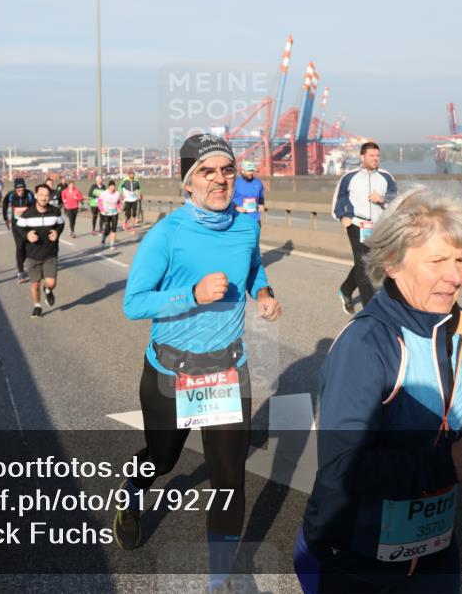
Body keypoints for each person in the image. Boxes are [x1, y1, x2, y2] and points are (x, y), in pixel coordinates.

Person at [295, 185, 462, 594]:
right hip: (353, 560)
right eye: (437, 260)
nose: (455, 276)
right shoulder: (365, 345)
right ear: (392, 262)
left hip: (433, 553)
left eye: (461, 259)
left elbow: (448, 424)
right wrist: (447, 464)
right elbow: (340, 466)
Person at [115, 134, 282, 592]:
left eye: (227, 169)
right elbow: (133, 303)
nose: (220, 179)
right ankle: (133, 493)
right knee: (163, 459)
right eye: (206, 171)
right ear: (188, 183)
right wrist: (191, 294)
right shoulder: (167, 234)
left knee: (229, 480)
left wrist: (264, 293)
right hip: (171, 373)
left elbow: (253, 266)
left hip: (226, 371)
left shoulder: (245, 226)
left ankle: (220, 578)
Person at [332, 142, 397, 315]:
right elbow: (338, 198)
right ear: (362, 157)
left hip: (378, 225)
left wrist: (382, 199)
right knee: (363, 263)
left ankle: (346, 289)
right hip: (357, 224)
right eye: (371, 156)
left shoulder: (386, 176)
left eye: (378, 156)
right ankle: (370, 309)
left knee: (373, 261)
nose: (376, 159)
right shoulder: (349, 176)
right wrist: (343, 217)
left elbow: (396, 199)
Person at [15, 184, 64, 318]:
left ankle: (47, 289)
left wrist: (57, 232)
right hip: (32, 255)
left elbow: (61, 224)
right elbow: (18, 228)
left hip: (50, 253)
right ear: (36, 195)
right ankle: (37, 306)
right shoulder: (28, 213)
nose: (43, 198)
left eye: (46, 195)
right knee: (35, 284)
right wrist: (27, 235)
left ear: (50, 196)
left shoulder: (55, 211)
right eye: (41, 195)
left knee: (51, 283)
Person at [3, 178, 36, 283]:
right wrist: (6, 218)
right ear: (15, 189)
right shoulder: (11, 195)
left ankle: (21, 264)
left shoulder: (29, 194)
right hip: (16, 226)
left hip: (28, 225)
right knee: (20, 247)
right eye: (18, 190)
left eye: (22, 190)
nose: (21, 192)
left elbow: (35, 208)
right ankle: (20, 272)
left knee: (28, 248)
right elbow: (4, 205)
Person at [232, 159, 265, 225]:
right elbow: (228, 199)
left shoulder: (258, 183)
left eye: (252, 170)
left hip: (255, 219)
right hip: (239, 219)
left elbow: (261, 195)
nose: (251, 173)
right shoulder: (235, 183)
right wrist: (236, 208)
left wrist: (261, 204)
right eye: (248, 170)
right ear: (243, 170)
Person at [96, 180, 121, 249]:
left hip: (114, 213)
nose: (113, 188)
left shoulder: (117, 193)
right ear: (109, 187)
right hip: (106, 213)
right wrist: (102, 210)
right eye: (111, 186)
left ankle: (111, 245)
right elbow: (99, 202)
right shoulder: (104, 193)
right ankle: (104, 237)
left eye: (114, 186)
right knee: (107, 230)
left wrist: (119, 208)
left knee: (114, 229)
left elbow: (118, 202)